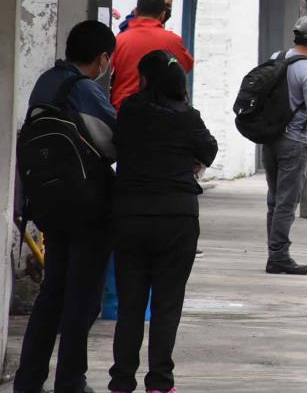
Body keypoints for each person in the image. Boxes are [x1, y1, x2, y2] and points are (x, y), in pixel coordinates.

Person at [14, 21, 117, 393]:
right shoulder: (84, 88)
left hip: (48, 202)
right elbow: (112, 140)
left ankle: (29, 380)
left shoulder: (47, 81)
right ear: (103, 58)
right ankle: (70, 380)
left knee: (52, 294)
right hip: (86, 205)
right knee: (83, 299)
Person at [109, 51, 218, 393]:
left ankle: (122, 381)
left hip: (130, 216)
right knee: (166, 304)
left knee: (130, 305)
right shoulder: (189, 118)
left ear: (145, 80)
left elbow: (119, 145)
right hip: (177, 218)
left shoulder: (129, 111)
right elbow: (210, 150)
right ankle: (160, 381)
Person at [265, 16, 307, 275]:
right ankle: (279, 255)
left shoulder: (277, 56)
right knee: (286, 202)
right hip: (293, 143)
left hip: (270, 139)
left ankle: (274, 254)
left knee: (274, 200)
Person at [110, 0, 193, 110]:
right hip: (162, 112)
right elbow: (186, 67)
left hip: (124, 111)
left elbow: (105, 72)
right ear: (162, 15)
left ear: (136, 11)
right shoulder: (172, 41)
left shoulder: (120, 40)